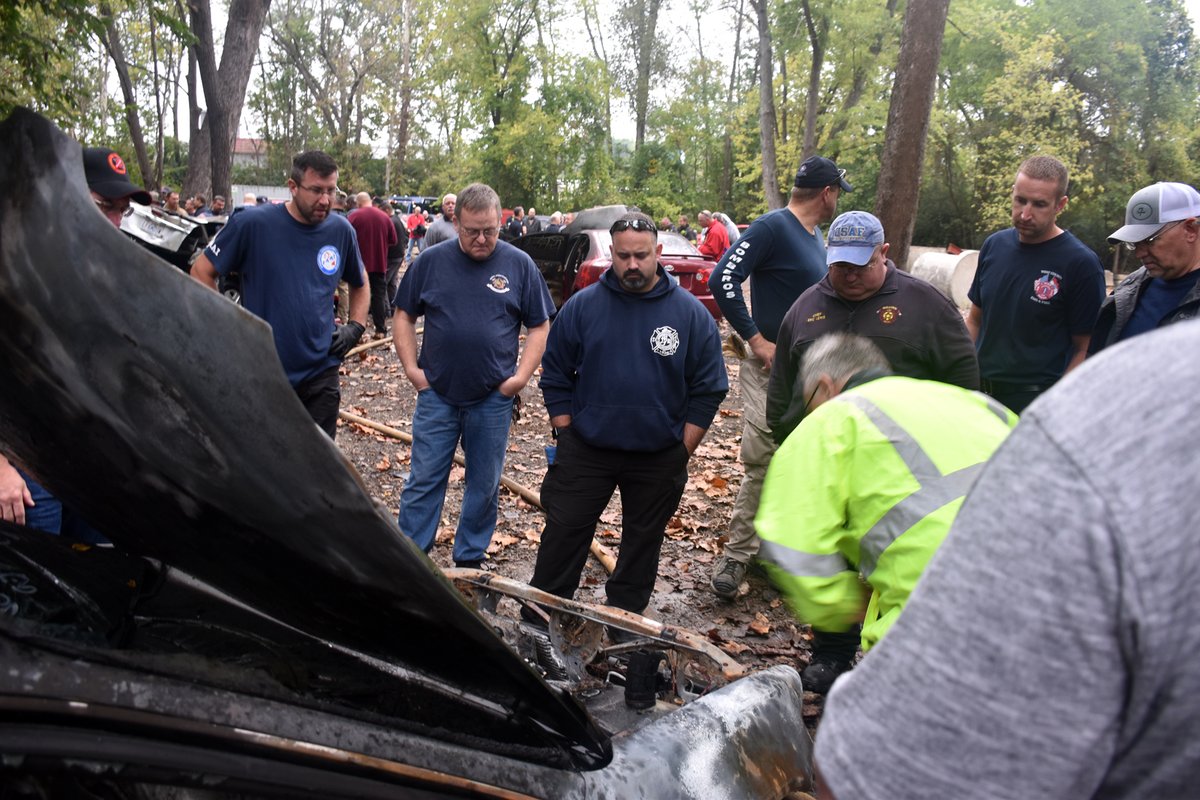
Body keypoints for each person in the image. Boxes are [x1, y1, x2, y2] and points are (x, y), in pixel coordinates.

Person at [814, 319, 1200, 800]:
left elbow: (886, 774)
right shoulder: (969, 402)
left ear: (825, 387)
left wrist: (834, 616)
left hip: (946, 613)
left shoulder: (1118, 398)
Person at [756, 333, 1013, 694]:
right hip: (1058, 597)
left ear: (825, 386)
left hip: (940, 620)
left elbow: (792, 542)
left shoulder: (836, 417)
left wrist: (840, 605)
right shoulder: (975, 403)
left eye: (810, 402)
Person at [527, 212, 728, 616]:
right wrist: (565, 432)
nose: (631, 265)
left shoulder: (690, 315)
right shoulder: (583, 307)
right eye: (622, 256)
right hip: (587, 448)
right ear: (613, 255)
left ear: (657, 252)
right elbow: (556, 374)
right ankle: (542, 617)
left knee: (642, 544)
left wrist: (681, 450)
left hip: (658, 454)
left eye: (640, 255)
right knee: (563, 534)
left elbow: (709, 389)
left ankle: (624, 625)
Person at [706, 154, 851, 600]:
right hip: (771, 368)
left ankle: (775, 552)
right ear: (826, 193)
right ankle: (737, 555)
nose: (837, 201)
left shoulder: (814, 235)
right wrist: (755, 338)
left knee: (798, 457)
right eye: (837, 193)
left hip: (811, 371)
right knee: (763, 456)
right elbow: (723, 277)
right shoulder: (774, 226)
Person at [392, 183, 554, 569]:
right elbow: (403, 315)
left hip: (492, 399)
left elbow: (540, 325)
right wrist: (414, 372)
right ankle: (412, 560)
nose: (482, 239)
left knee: (483, 485)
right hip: (438, 395)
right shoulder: (430, 262)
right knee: (424, 480)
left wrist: (519, 379)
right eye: (472, 231)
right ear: (456, 221)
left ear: (500, 222)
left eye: (490, 230)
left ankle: (469, 560)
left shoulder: (519, 264)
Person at [1, 145, 152, 540]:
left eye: (123, 210)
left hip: (94, 471)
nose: (115, 222)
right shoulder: (15, 262)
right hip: (27, 474)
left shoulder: (114, 274)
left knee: (101, 587)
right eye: (105, 206)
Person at [190, 150, 368, 439]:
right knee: (265, 462)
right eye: (316, 190)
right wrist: (227, 328)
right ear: (293, 186)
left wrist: (356, 327)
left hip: (321, 371)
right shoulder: (252, 224)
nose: (325, 200)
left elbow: (360, 282)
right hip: (263, 372)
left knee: (317, 466)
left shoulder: (341, 230)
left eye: (331, 190)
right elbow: (201, 272)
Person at [768, 210, 980, 443]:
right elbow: (781, 388)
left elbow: (963, 386)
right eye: (841, 267)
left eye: (861, 267)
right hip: (821, 454)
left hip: (901, 457)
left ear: (884, 252)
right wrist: (785, 436)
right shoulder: (804, 309)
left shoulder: (928, 306)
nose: (850, 277)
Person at [965, 155, 1105, 412]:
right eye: (1020, 200)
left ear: (1060, 205)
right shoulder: (994, 245)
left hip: (1034, 402)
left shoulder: (1080, 264)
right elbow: (975, 319)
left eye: (1039, 204)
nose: (1025, 214)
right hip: (978, 395)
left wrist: (1054, 405)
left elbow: (1085, 348)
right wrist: (959, 373)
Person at [1090, 181, 1200, 354]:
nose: (1140, 253)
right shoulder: (1128, 290)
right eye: (1134, 243)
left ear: (1190, 230)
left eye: (1150, 240)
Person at [349, 191, 397, 339]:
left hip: (359, 265)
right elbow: (393, 240)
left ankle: (356, 333)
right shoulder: (384, 217)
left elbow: (347, 239)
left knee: (357, 296)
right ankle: (380, 330)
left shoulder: (353, 217)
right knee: (378, 297)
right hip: (379, 264)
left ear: (358, 203)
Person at [382, 199, 409, 303]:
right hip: (399, 254)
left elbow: (389, 240)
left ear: (387, 210)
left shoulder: (391, 221)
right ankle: (393, 305)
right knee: (392, 282)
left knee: (383, 283)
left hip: (392, 256)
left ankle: (386, 308)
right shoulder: (397, 219)